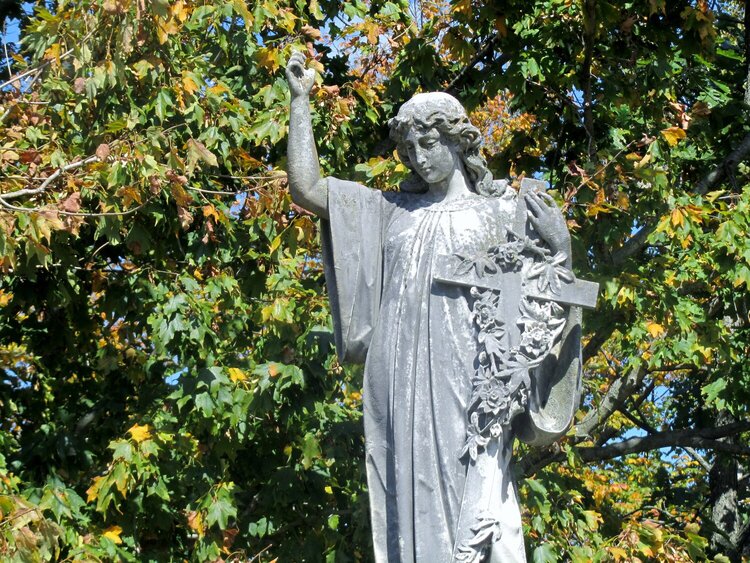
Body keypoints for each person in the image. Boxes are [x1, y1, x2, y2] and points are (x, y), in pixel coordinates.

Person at [286, 51, 582, 563]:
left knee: (473, 490)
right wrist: (299, 103)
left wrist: (561, 248)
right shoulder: (390, 211)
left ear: (457, 140)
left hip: (469, 378)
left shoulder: (501, 212)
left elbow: (547, 294)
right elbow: (307, 188)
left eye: (430, 143)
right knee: (407, 490)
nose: (420, 157)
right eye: (409, 148)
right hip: (399, 377)